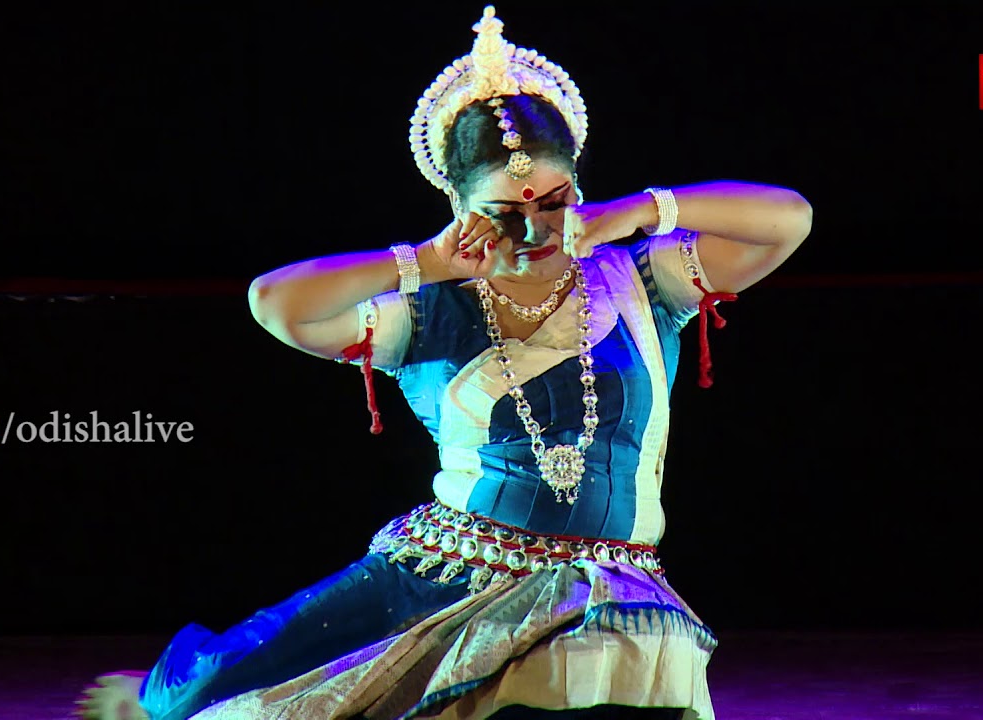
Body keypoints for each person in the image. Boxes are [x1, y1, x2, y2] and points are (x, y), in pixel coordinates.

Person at [76, 6, 811, 719]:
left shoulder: (643, 282)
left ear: (578, 188)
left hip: (610, 589)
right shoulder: (430, 309)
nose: (533, 229)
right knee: (205, 699)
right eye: (500, 211)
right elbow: (276, 303)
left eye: (553, 201)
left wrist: (646, 212)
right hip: (449, 575)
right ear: (458, 206)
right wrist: (421, 261)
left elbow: (789, 221)